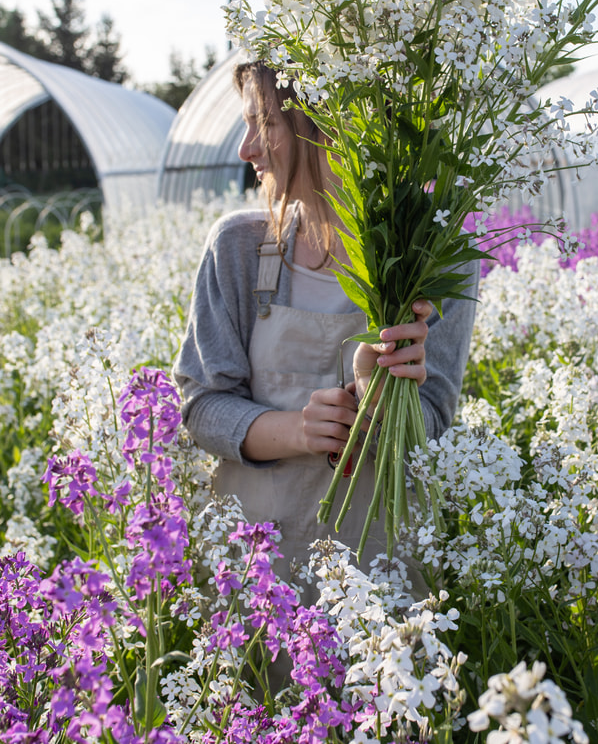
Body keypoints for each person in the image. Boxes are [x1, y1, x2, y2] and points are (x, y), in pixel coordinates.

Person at [172, 60, 478, 588]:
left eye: (266, 123)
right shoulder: (240, 248)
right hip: (261, 572)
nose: (247, 149)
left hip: (378, 574)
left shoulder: (433, 257)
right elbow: (202, 407)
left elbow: (429, 431)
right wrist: (299, 431)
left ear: (330, 124)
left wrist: (372, 388)